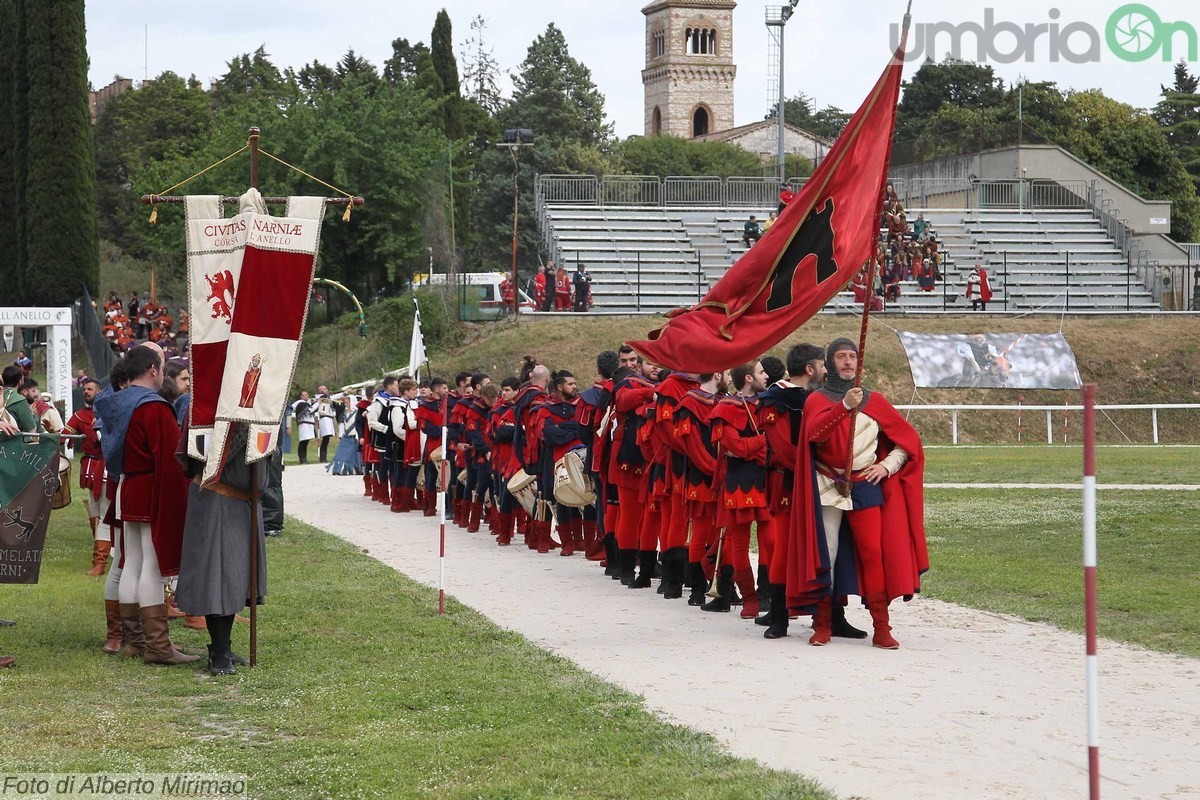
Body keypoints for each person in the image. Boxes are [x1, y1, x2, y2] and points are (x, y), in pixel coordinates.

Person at [789, 338, 928, 650]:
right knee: (829, 553)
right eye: (841, 357)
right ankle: (822, 623)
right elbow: (814, 434)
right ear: (831, 362)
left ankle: (882, 627)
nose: (848, 362)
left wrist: (888, 466)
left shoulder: (873, 400)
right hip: (827, 484)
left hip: (865, 484)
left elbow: (907, 442)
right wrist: (844, 407)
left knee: (873, 555)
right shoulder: (817, 399)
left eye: (852, 356)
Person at [93, 343, 197, 665]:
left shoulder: (113, 401)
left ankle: (134, 641)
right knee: (149, 565)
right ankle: (157, 647)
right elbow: (170, 458)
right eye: (163, 365)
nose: (164, 371)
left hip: (126, 485)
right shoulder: (152, 407)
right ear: (153, 369)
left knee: (131, 563)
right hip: (149, 486)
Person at [174, 421, 266, 676]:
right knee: (219, 577)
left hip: (240, 502)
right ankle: (218, 652)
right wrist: (247, 427)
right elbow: (215, 453)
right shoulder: (215, 413)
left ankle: (224, 648)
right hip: (218, 499)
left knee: (235, 579)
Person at [708, 361, 770, 618]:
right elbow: (736, 447)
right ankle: (749, 598)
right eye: (761, 372)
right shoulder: (725, 407)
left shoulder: (768, 403)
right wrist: (764, 440)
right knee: (739, 546)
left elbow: (744, 449)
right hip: (739, 482)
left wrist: (751, 446)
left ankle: (769, 596)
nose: (766, 376)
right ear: (748, 378)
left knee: (771, 543)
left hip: (768, 480)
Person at [65, 379, 110, 576]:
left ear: (99, 391)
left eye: (89, 389)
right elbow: (65, 432)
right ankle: (103, 553)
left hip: (107, 468)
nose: (86, 392)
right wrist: (50, 434)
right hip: (91, 467)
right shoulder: (80, 415)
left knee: (105, 514)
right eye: (84, 389)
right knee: (95, 512)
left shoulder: (108, 413)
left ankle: (100, 561)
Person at [292, 391, 316, 464]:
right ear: (301, 397)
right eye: (304, 395)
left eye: (307, 394)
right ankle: (302, 458)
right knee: (303, 442)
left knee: (305, 442)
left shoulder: (306, 403)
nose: (307, 396)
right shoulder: (301, 403)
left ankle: (304, 458)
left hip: (308, 424)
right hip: (304, 424)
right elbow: (310, 410)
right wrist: (318, 403)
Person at [315, 389, 337, 463]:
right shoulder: (322, 402)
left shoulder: (329, 404)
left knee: (326, 439)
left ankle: (324, 456)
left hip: (329, 420)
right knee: (325, 439)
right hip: (325, 420)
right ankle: (322, 457)